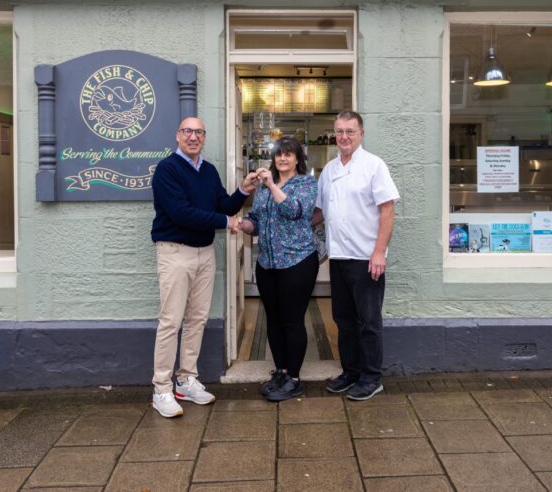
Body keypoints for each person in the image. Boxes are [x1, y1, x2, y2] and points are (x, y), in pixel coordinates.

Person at [150, 117, 259, 418]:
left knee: (197, 319)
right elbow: (181, 213)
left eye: (199, 132)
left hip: (204, 252)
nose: (193, 137)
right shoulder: (167, 169)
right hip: (175, 252)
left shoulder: (208, 170)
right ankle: (161, 388)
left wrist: (243, 190)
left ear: (204, 137)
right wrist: (228, 222)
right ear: (178, 135)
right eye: (187, 131)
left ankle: (186, 379)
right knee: (171, 321)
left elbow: (222, 205)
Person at [314, 110, 399, 401]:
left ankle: (371, 377)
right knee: (343, 319)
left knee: (369, 322)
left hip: (366, 258)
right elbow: (320, 212)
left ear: (361, 133)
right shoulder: (329, 169)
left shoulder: (374, 165)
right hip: (338, 258)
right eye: (339, 131)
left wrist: (379, 253)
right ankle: (350, 372)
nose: (344, 137)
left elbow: (387, 210)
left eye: (350, 131)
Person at [239, 137, 319, 402]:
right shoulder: (262, 189)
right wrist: (244, 225)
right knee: (272, 321)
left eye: (288, 154)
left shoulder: (306, 183)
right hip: (267, 264)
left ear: (298, 159)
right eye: (278, 155)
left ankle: (294, 379)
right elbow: (257, 221)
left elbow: (294, 211)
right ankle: (281, 372)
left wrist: (272, 185)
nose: (282, 159)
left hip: (297, 262)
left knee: (292, 321)